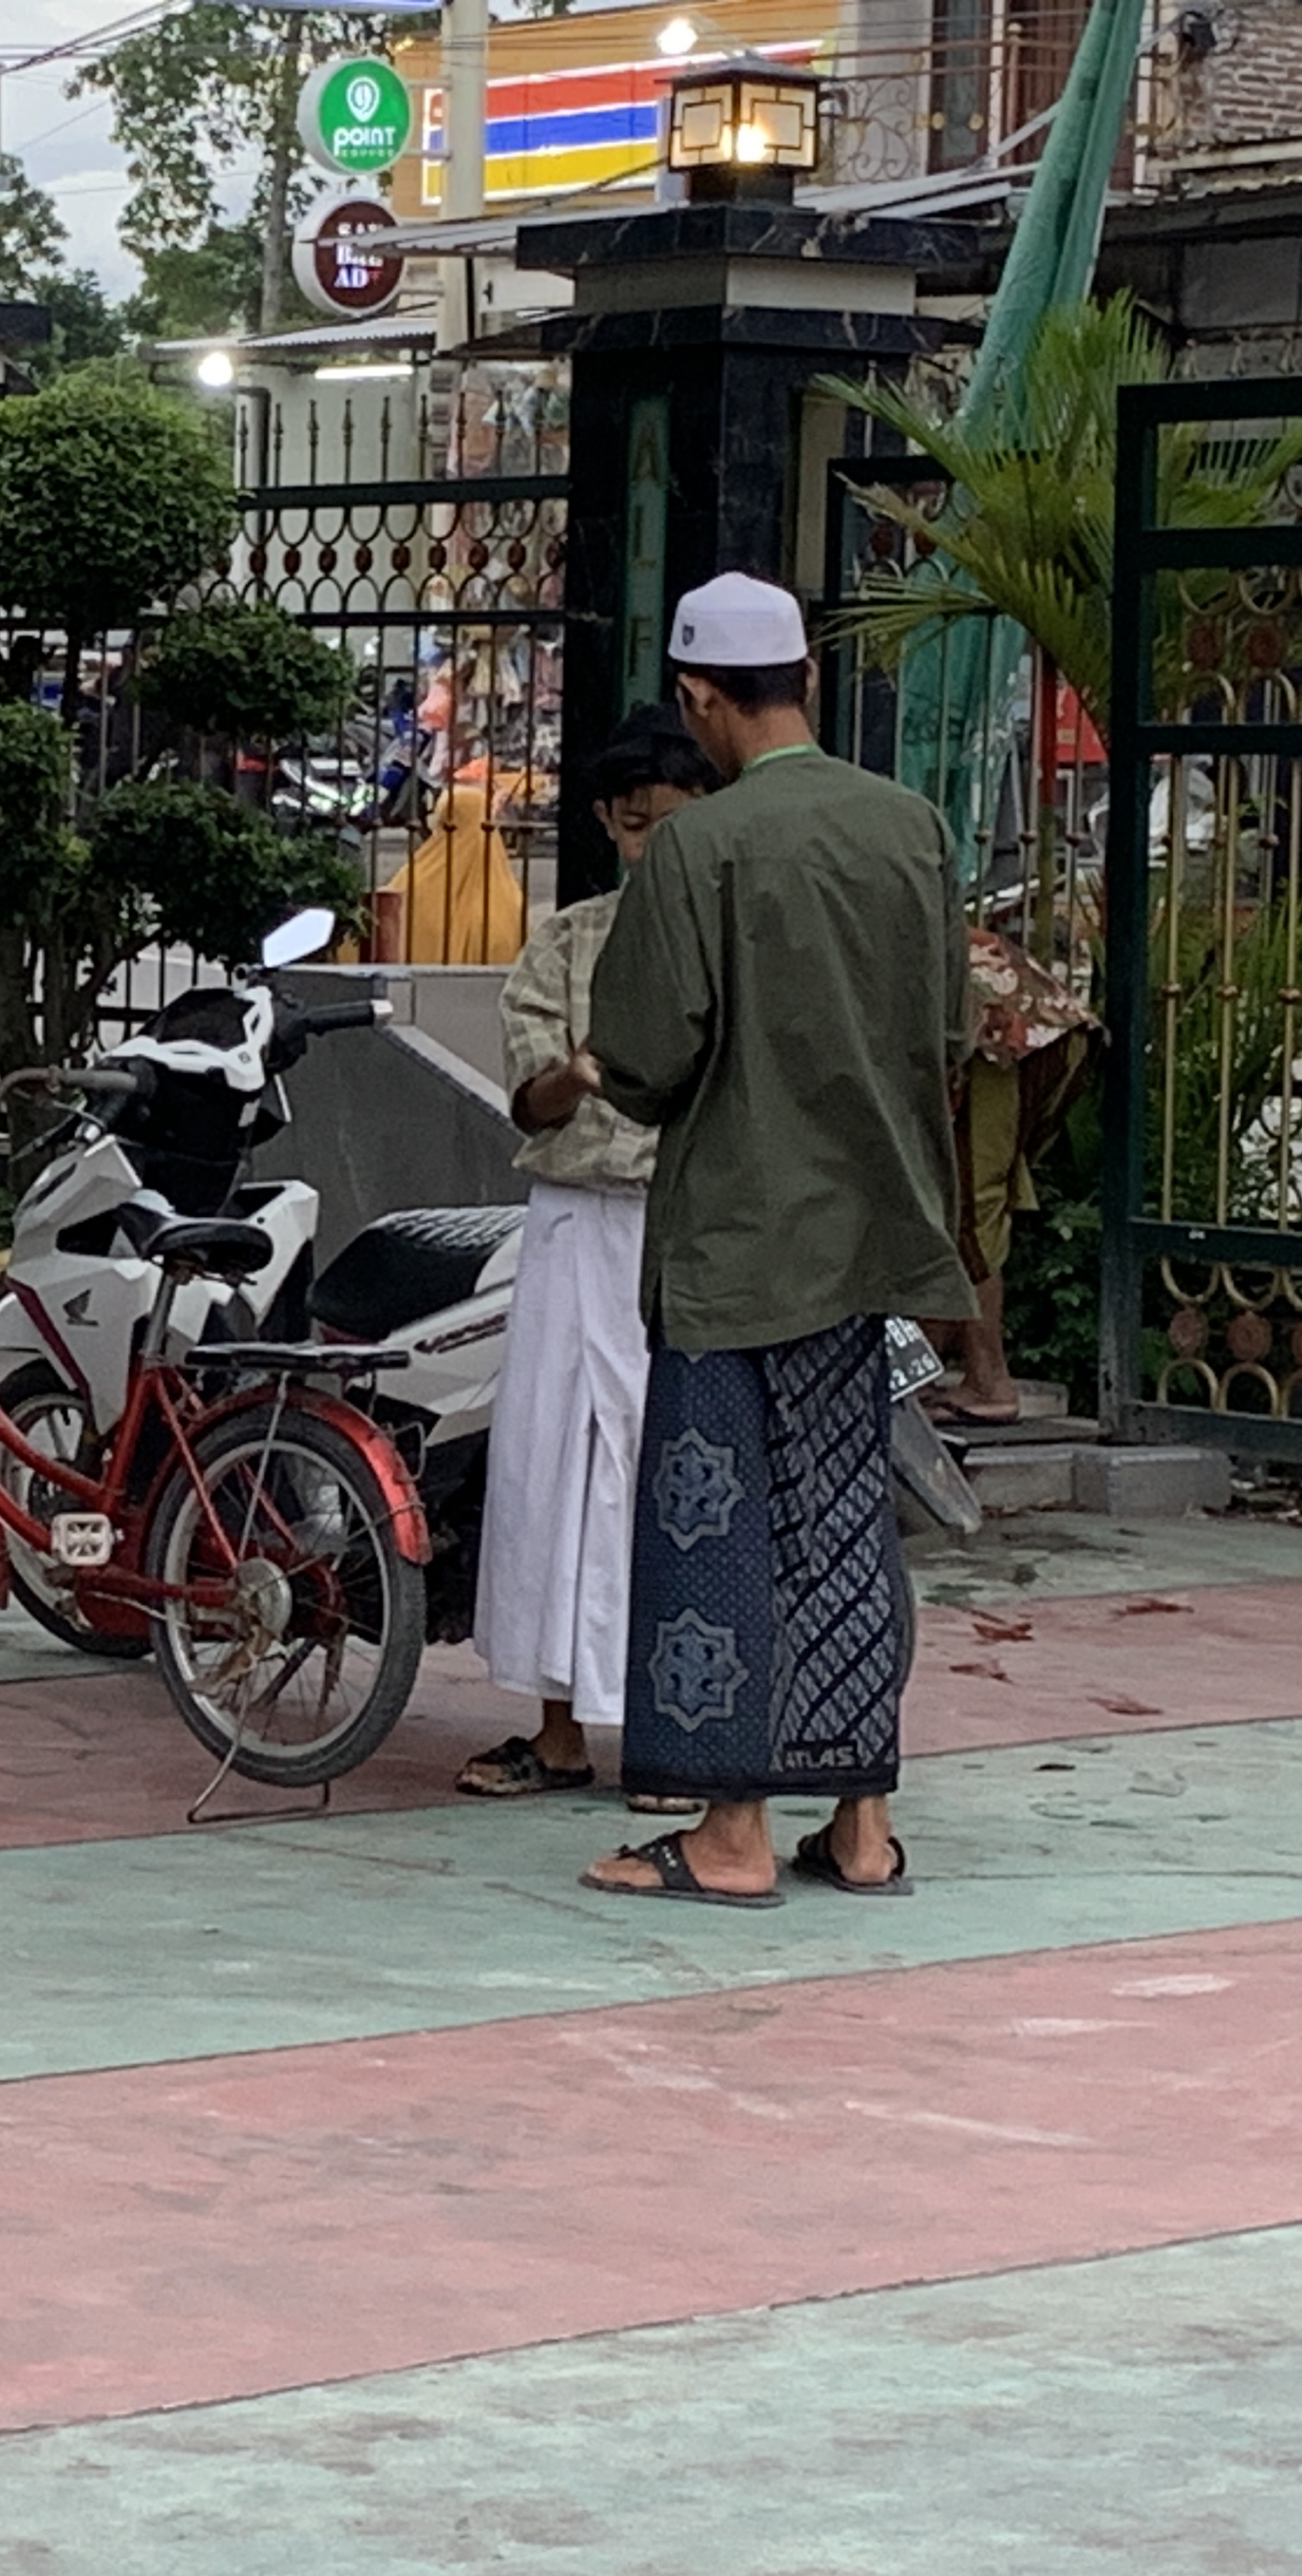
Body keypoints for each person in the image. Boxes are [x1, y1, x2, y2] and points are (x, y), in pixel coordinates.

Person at [573, 573, 977, 1907]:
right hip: (872, 1238)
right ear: (804, 676)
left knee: (717, 1531)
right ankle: (862, 1828)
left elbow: (645, 1056)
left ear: (699, 698)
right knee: (847, 1527)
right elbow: (950, 1032)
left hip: (737, 1244)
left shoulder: (700, 848)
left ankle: (730, 1835)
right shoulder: (911, 828)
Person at [459, 705, 715, 1805]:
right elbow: (529, 1098)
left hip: (683, 1230)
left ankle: (671, 1730)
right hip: (575, 1224)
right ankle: (557, 1729)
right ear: (609, 823)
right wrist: (577, 1074)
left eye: (673, 822)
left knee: (665, 1475)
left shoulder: (734, 939)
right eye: (635, 823)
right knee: (555, 1469)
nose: (652, 843)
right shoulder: (567, 941)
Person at [928, 927, 1098, 1427]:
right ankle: (937, 1367)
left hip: (1001, 1039)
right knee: (964, 1198)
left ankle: (989, 1381)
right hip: (1033, 1032)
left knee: (967, 1208)